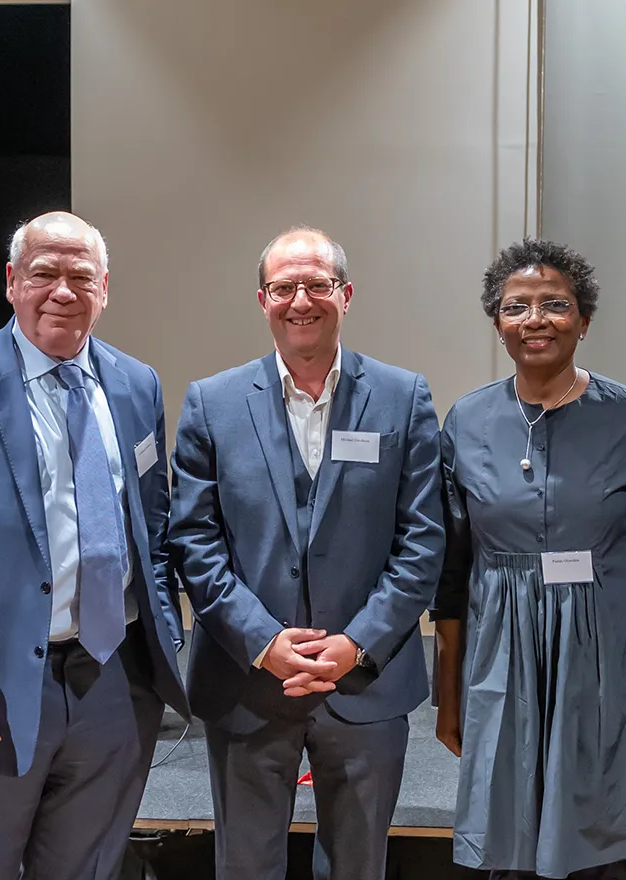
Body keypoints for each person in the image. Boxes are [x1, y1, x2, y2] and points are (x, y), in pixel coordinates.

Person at [0, 211, 189, 878]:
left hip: (116, 681)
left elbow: (153, 531)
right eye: (44, 273)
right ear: (12, 282)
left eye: (81, 276)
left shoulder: (137, 385)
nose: (63, 290)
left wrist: (166, 643)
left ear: (104, 287)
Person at [169, 227, 445, 879]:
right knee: (245, 865)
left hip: (366, 680)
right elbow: (194, 540)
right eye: (285, 286)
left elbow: (424, 539)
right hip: (247, 676)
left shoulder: (404, 398)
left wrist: (358, 642)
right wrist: (264, 641)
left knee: (358, 865)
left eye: (317, 284)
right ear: (262, 299)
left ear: (345, 296)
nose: (302, 300)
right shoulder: (213, 403)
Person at [431, 239, 626, 879]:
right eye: (517, 307)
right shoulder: (466, 421)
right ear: (497, 323)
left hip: (609, 647)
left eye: (555, 304)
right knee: (508, 832)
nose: (536, 319)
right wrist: (447, 693)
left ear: (584, 320)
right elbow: (453, 572)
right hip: (504, 651)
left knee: (609, 833)